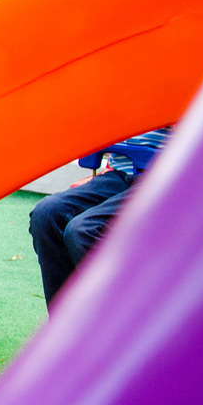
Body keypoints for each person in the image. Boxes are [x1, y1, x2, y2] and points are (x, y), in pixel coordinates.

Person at [28, 127, 172, 311]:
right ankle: (66, 327)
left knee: (83, 231)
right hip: (122, 173)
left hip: (167, 176)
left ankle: (122, 322)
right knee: (46, 215)